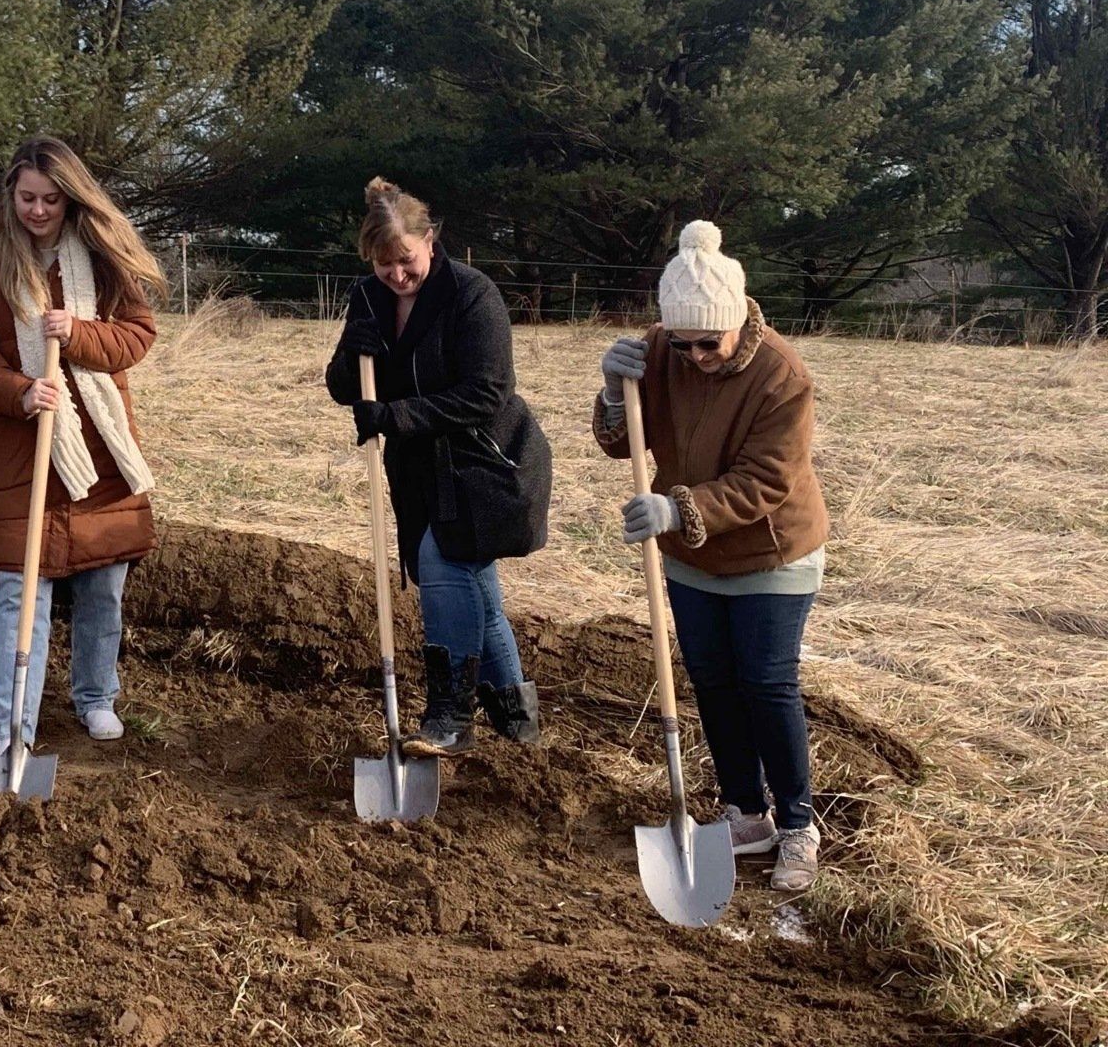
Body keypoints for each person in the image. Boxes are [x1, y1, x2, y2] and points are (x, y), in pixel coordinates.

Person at [594, 220, 831, 893]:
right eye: (683, 341)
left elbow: (767, 480)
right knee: (714, 681)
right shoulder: (663, 349)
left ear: (736, 323)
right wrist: (616, 391)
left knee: (766, 682)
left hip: (771, 554)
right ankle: (745, 814)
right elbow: (624, 442)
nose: (695, 355)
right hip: (693, 561)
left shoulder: (783, 376)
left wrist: (678, 509)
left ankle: (796, 824)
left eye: (709, 343)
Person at [0, 137, 162, 751]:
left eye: (50, 199)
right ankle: (15, 728)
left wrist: (83, 334)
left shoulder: (101, 258)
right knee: (19, 592)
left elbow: (138, 334)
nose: (37, 211)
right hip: (19, 449)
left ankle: (95, 697)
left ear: (70, 199)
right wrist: (18, 391)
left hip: (99, 452)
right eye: (27, 198)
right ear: (9, 196)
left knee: (102, 588)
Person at [325, 178, 552, 755]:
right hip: (417, 470)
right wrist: (355, 348)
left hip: (484, 464)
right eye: (383, 266)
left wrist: (395, 416)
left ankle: (450, 715)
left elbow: (487, 392)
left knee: (444, 561)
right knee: (477, 589)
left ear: (429, 239)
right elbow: (341, 387)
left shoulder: (472, 294)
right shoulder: (369, 299)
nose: (397, 276)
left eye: (406, 261)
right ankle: (518, 724)